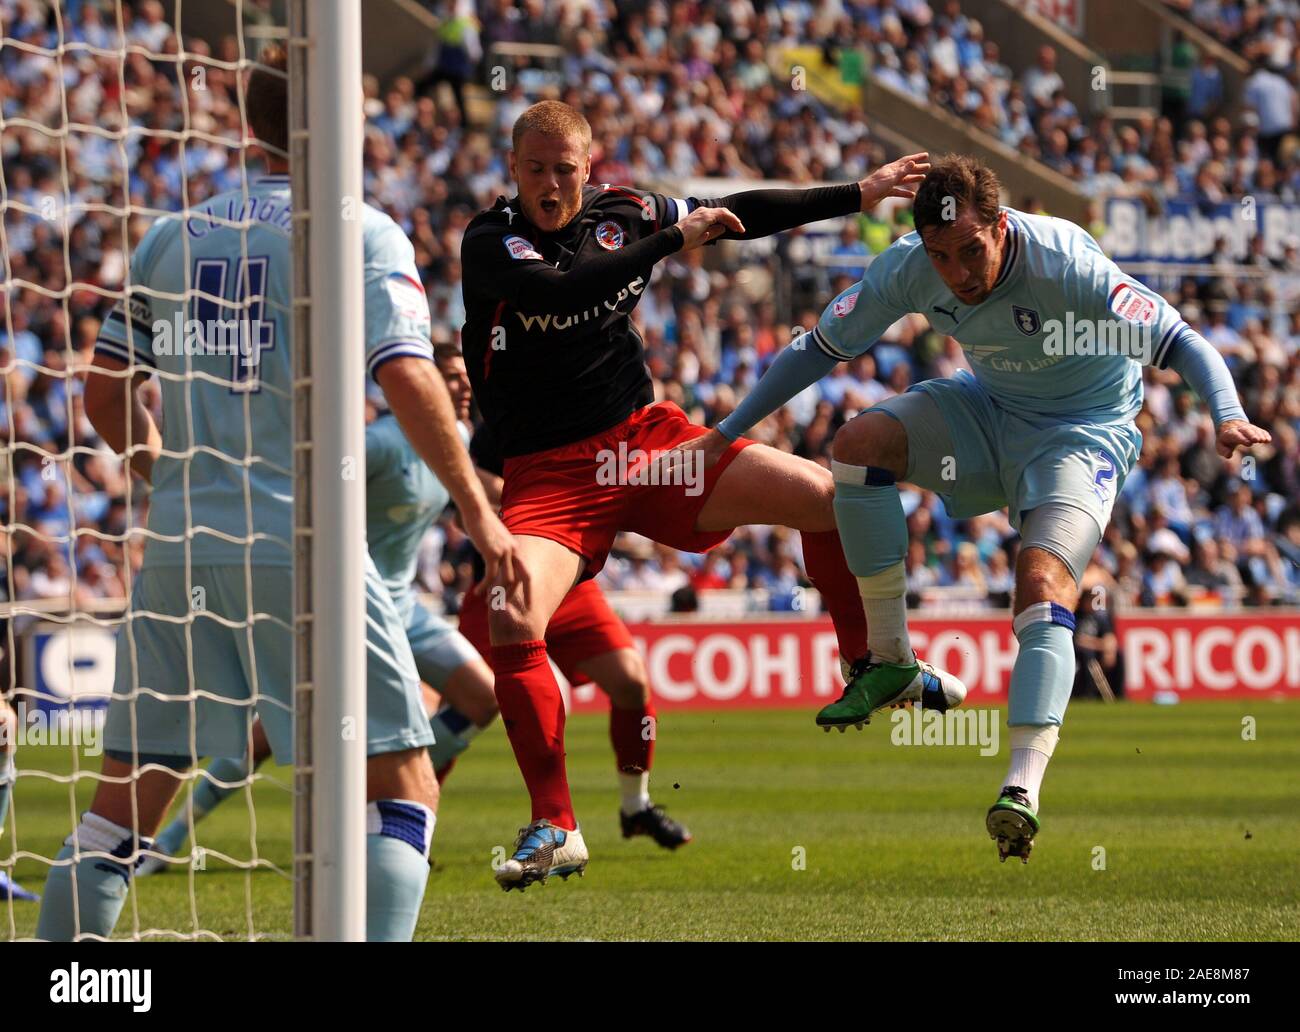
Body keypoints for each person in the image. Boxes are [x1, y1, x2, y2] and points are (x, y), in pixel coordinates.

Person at [35, 45, 521, 942]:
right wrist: (482, 516)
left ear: (246, 126)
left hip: (184, 547)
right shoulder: (359, 229)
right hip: (307, 549)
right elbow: (407, 376)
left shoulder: (168, 235)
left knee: (120, 807)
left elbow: (102, 393)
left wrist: (165, 474)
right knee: (403, 787)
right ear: (333, 117)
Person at [686, 154, 1269, 863]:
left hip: (1080, 433)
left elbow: (1181, 341)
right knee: (859, 442)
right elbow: (818, 349)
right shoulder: (908, 266)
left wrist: (1227, 414)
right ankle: (893, 659)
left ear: (1000, 224)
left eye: (970, 251)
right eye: (941, 256)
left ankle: (1020, 789)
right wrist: (722, 433)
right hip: (987, 410)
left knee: (1041, 583)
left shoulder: (1066, 262)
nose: (957, 273)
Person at [459, 100, 963, 891]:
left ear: (589, 168)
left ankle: (868, 661)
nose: (551, 184)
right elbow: (561, 293)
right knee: (512, 615)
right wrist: (670, 242)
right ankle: (556, 824)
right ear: (512, 169)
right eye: (535, 169)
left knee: (830, 499)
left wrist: (856, 193)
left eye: (565, 168)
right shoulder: (490, 241)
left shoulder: (625, 209)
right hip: (551, 477)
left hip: (649, 445)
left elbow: (738, 215)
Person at [137, 344, 499, 875]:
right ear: (418, 383)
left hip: (402, 603)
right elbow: (309, 492)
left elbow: (480, 488)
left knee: (485, 698)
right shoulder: (375, 444)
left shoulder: (457, 440)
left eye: (467, 378)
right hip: (345, 603)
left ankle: (368, 803)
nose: (464, 388)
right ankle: (166, 839)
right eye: (450, 377)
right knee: (267, 736)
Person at [455, 420, 692, 854]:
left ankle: (635, 807)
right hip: (504, 584)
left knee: (631, 680)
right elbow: (466, 484)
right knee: (458, 703)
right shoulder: (498, 413)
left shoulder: (580, 405)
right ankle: (407, 812)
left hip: (569, 578)